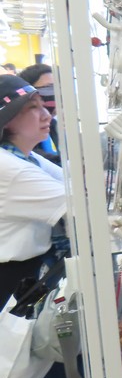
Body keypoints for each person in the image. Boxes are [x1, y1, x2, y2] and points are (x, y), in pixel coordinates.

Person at [0, 74, 66, 310]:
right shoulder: (12, 168)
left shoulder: (23, 157)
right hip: (9, 279)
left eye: (43, 105)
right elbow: (79, 204)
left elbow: (74, 186)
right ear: (7, 120)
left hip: (23, 272)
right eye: (33, 108)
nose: (46, 115)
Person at [19, 63, 59, 164]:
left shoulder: (53, 125)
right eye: (48, 88)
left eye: (58, 88)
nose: (55, 93)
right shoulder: (23, 128)